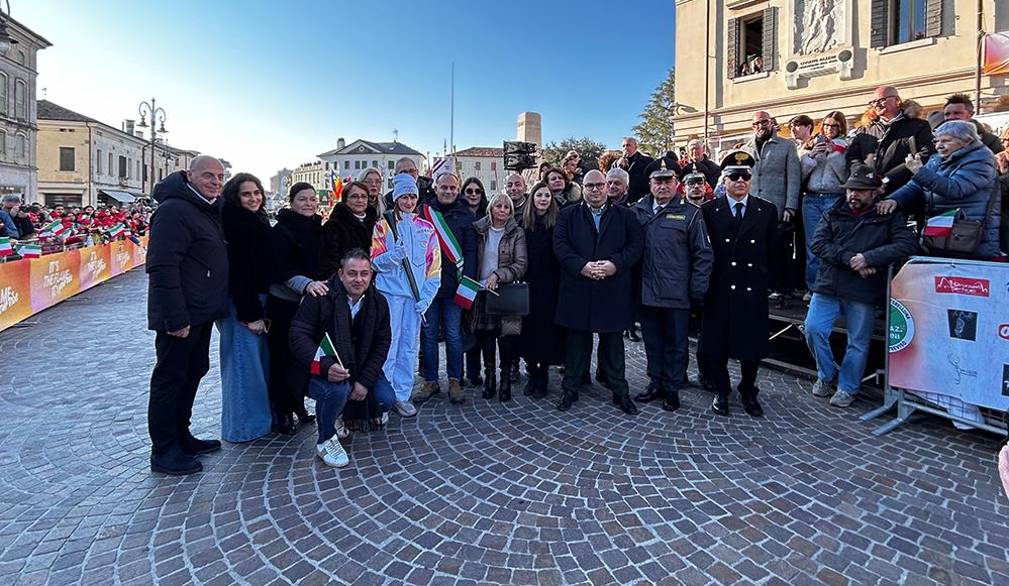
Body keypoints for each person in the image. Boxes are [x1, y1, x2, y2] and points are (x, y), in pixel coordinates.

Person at [804, 164, 918, 408]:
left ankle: (847, 387)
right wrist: (851, 259)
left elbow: (907, 245)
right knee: (813, 328)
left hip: (863, 288)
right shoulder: (834, 211)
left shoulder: (888, 215)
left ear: (875, 192)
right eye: (850, 189)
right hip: (829, 283)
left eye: (860, 190)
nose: (853, 194)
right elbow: (818, 244)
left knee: (858, 342)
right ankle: (826, 374)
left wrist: (869, 258)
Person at [146, 155, 229, 475]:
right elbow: (162, 266)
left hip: (200, 311)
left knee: (193, 370)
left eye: (220, 177)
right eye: (208, 175)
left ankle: (182, 435)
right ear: (189, 175)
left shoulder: (205, 208)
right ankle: (164, 450)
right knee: (170, 379)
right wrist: (175, 318)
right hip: (181, 315)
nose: (216, 182)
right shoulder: (174, 210)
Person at [288, 249, 394, 468]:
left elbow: (382, 344)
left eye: (364, 274)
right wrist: (325, 366)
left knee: (386, 398)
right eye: (352, 273)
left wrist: (364, 381)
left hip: (359, 367)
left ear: (371, 275)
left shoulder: (378, 302)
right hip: (316, 367)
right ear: (340, 274)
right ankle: (325, 440)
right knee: (337, 391)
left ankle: (342, 412)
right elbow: (298, 335)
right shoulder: (320, 297)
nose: (358, 279)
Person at [553, 169, 644, 415]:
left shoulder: (626, 216)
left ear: (607, 187)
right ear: (582, 188)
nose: (595, 190)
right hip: (578, 286)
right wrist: (581, 266)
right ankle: (570, 388)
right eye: (589, 185)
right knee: (576, 343)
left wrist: (615, 264)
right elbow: (560, 245)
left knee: (613, 343)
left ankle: (619, 391)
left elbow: (636, 246)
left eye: (599, 185)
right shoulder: (568, 214)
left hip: (612, 288)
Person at [632, 160, 713, 412]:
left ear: (676, 183)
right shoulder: (637, 210)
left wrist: (698, 288)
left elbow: (703, 254)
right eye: (658, 181)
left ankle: (672, 388)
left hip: (677, 292)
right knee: (652, 342)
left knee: (676, 344)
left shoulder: (691, 213)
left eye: (668, 181)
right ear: (650, 184)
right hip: (646, 290)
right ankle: (655, 382)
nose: (663, 186)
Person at [701, 152, 777, 418]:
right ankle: (721, 390)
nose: (740, 181)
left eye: (745, 176)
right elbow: (704, 252)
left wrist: (771, 283)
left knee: (751, 345)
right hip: (720, 287)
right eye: (734, 176)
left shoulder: (766, 210)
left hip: (752, 286)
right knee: (717, 345)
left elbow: (774, 251)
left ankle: (748, 389)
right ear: (725, 180)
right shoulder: (709, 210)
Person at [878, 120, 1002, 259]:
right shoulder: (937, 159)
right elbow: (916, 185)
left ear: (967, 141)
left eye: (946, 141)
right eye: (936, 141)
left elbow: (955, 189)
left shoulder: (981, 159)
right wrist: (894, 199)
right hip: (941, 232)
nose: (939, 146)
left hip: (969, 236)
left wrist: (920, 171)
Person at [371, 173, 441, 416]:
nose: (409, 201)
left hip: (414, 298)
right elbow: (374, 261)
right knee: (388, 346)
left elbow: (434, 268)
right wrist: (392, 256)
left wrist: (426, 297)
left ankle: (401, 395)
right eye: (404, 197)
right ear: (396, 198)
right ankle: (384, 398)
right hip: (389, 295)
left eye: (412, 196)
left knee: (409, 346)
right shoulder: (382, 226)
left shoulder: (427, 229)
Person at [412, 172, 478, 405]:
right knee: (428, 335)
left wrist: (467, 283)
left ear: (457, 190)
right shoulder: (423, 213)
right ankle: (430, 380)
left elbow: (471, 252)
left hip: (454, 286)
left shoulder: (466, 215)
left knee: (453, 334)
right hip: (428, 287)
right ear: (436, 188)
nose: (448, 191)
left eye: (452, 188)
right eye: (444, 187)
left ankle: (454, 380)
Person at [266, 182, 327, 435]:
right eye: (303, 199)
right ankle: (281, 411)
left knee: (303, 358)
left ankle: (298, 404)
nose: (309, 204)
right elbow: (280, 268)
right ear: (292, 202)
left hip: (310, 303)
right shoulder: (281, 230)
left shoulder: (318, 228)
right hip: (285, 303)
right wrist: (306, 284)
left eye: (312, 199)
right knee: (281, 358)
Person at [217, 173, 273, 443]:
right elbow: (239, 272)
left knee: (254, 365)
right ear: (235, 197)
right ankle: (243, 428)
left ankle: (257, 423)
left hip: (254, 300)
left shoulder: (254, 219)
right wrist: (249, 314)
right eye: (246, 194)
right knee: (243, 367)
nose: (253, 198)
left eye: (256, 192)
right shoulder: (235, 223)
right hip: (242, 305)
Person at [469, 193, 528, 402]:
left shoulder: (516, 232)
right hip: (482, 291)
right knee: (486, 337)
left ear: (511, 211)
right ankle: (490, 376)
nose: (502, 210)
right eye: (498, 206)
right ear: (491, 208)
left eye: (506, 207)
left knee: (506, 338)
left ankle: (504, 379)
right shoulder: (478, 229)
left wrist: (498, 275)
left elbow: (521, 264)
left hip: (504, 292)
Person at [747, 110, 801, 307]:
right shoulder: (746, 148)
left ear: (771, 123)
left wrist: (790, 206)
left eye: (764, 122)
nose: (760, 126)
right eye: (756, 124)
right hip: (753, 208)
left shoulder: (787, 146)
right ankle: (763, 287)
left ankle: (781, 290)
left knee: (779, 252)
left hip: (777, 208)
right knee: (756, 251)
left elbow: (794, 178)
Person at [520, 182, 565, 398]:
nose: (543, 199)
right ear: (533, 198)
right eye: (539, 195)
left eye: (547, 196)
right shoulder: (523, 224)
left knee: (546, 332)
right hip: (528, 284)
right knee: (529, 331)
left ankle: (543, 374)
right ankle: (532, 371)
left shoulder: (557, 223)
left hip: (550, 285)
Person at [800, 111, 849, 297]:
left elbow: (845, 177)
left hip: (834, 197)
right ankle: (813, 287)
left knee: (831, 243)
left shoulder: (846, 146)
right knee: (812, 244)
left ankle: (831, 286)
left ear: (841, 127)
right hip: (811, 198)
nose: (830, 129)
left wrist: (834, 154)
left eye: (834, 125)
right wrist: (811, 156)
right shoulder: (812, 144)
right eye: (826, 125)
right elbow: (801, 175)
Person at [861, 86, 936, 195]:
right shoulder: (866, 129)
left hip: (904, 190)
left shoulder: (918, 126)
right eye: (873, 102)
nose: (877, 104)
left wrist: (888, 178)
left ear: (897, 100)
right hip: (870, 191)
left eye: (882, 100)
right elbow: (854, 157)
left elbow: (925, 154)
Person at [319, 181, 377, 281]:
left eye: (363, 197)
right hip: (347, 281)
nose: (360, 200)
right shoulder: (333, 226)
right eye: (354, 196)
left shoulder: (376, 224)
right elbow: (328, 260)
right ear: (345, 199)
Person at [617, 137, 655, 203]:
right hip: (622, 201)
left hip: (642, 199)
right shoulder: (616, 163)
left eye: (628, 145)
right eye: (623, 146)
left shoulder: (647, 161)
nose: (625, 148)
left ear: (636, 147)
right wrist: (619, 167)